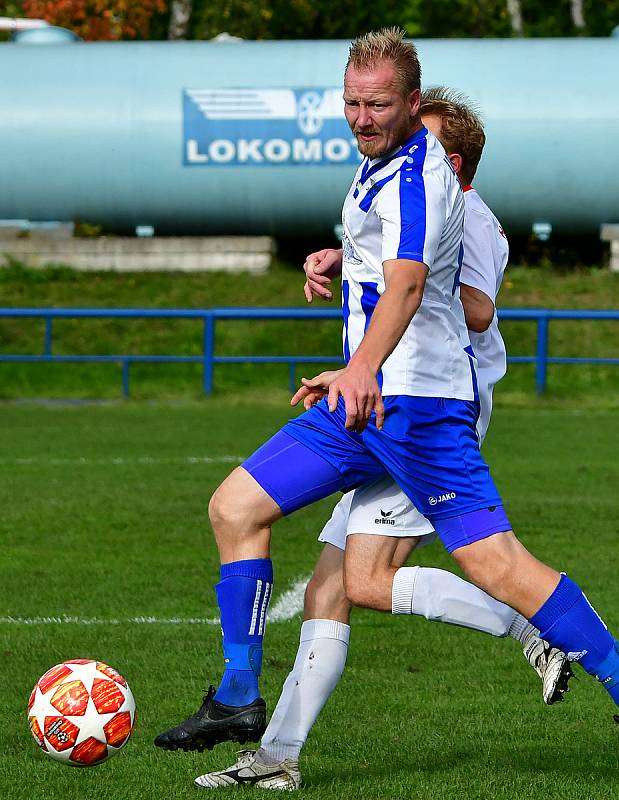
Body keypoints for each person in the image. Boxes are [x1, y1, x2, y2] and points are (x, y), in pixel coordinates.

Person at [155, 28, 619, 793]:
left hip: (416, 408)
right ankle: (240, 700)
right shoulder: (383, 166)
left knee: (494, 564)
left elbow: (409, 283)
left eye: (378, 104)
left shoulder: (419, 177)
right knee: (237, 507)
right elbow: (393, 265)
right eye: (352, 103)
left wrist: (360, 366)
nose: (362, 117)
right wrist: (345, 266)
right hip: (366, 405)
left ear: (409, 101)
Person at [194, 86, 571, 792]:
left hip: (428, 420)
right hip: (388, 410)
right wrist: (350, 259)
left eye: (418, 140)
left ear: (450, 159)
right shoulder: (409, 202)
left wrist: (409, 278)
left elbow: (481, 309)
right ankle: (275, 760)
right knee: (331, 589)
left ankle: (534, 628)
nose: (400, 147)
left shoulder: (473, 219)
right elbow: (398, 263)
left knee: (361, 580)